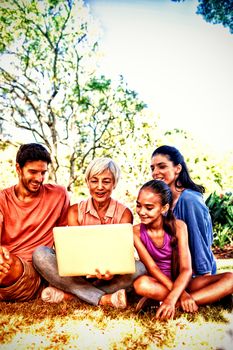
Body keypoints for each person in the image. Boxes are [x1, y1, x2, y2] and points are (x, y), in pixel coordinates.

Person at [33, 157, 146, 308]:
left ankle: (72, 296)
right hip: (78, 275)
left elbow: (120, 254)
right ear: (87, 182)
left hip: (110, 276)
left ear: (114, 184)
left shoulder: (124, 214)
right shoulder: (74, 211)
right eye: (94, 181)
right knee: (40, 254)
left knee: (140, 268)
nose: (100, 187)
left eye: (106, 181)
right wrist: (83, 268)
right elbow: (73, 252)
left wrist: (111, 272)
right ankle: (103, 299)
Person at [133, 180, 233, 320]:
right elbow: (153, 268)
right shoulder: (136, 232)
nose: (141, 212)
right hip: (160, 283)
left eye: (149, 208)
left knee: (231, 278)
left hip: (184, 282)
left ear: (164, 208)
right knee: (141, 284)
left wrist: (172, 299)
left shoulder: (179, 227)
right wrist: (181, 294)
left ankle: (173, 304)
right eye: (139, 205)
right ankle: (202, 298)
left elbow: (186, 269)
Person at [0, 143, 70, 302]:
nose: (39, 178)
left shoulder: (58, 195)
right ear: (18, 169)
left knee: (7, 266)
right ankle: (42, 292)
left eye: (43, 173)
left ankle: (41, 289)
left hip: (34, 268)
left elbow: (65, 236)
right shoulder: (2, 199)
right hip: (9, 264)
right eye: (33, 172)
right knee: (4, 262)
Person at [150, 145, 216, 276]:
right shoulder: (164, 203)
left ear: (178, 169)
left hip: (195, 275)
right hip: (173, 273)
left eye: (161, 166)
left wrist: (205, 278)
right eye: (152, 168)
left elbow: (200, 243)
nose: (155, 172)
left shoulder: (189, 200)